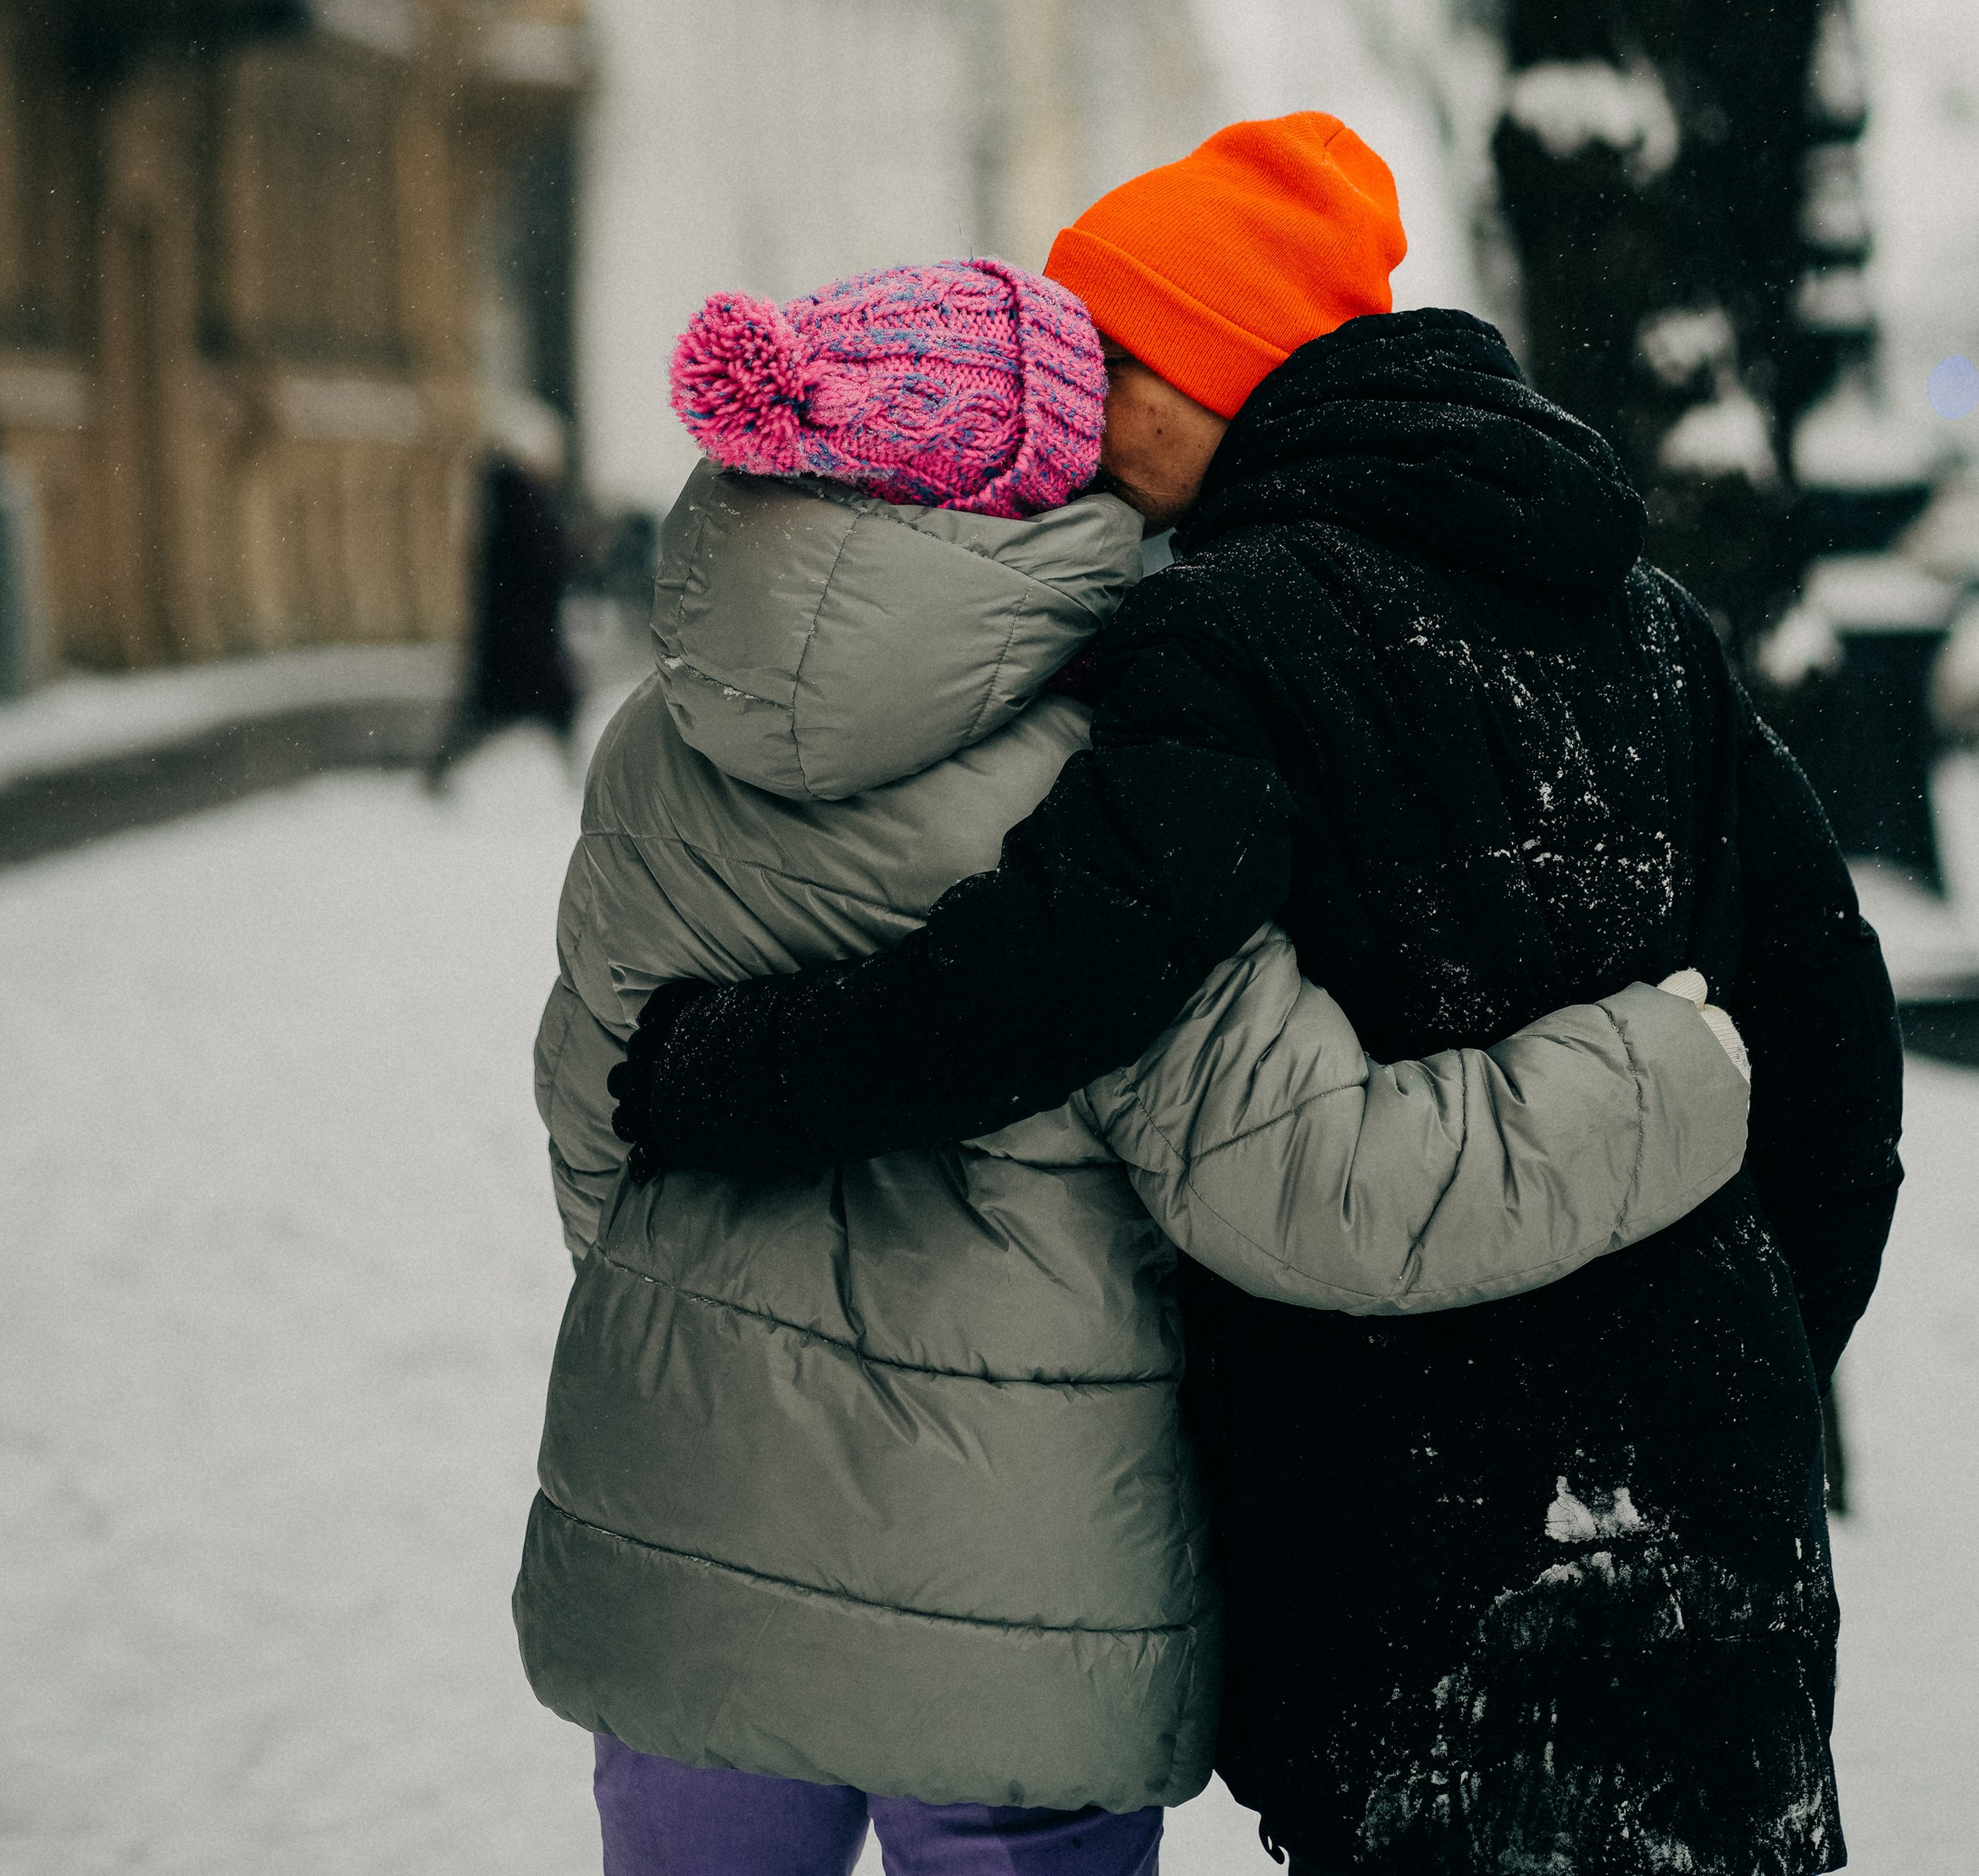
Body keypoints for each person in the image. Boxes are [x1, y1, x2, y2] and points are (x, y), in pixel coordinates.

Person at [611, 119, 1907, 1876]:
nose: (1078, 426)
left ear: (1217, 370)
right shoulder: (1650, 616)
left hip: (1404, 1510)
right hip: (1711, 1497)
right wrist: (1741, 1349)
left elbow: (1055, 972)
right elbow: (1834, 1035)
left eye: (1112, 368)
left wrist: (724, 1074)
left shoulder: (1225, 632)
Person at [428, 391, 579, 789]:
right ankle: (582, 775)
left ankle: (440, 774)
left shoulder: (502, 491)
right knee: (537, 705)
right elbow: (542, 559)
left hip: (515, 631)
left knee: (493, 709)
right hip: (522, 633)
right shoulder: (519, 495)